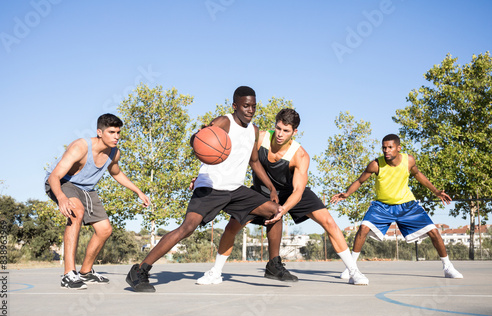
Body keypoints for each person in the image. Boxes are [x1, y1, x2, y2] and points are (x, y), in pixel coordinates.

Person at [126, 86, 285, 292]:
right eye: (246, 106)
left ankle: (273, 265)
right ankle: (139, 271)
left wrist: (271, 187)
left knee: (276, 211)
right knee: (187, 228)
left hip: (235, 189)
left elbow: (254, 161)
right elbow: (198, 140)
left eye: (253, 106)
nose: (250, 110)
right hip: (211, 187)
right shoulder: (224, 122)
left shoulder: (253, 130)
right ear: (235, 106)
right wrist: (198, 137)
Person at [196, 108, 368, 286]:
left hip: (290, 192)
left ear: (294, 132)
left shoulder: (300, 155)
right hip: (261, 191)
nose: (280, 134)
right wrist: (205, 175)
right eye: (278, 128)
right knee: (232, 227)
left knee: (329, 222)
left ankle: (354, 271)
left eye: (286, 131)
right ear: (275, 125)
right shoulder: (260, 138)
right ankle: (215, 272)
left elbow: (298, 191)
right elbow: (226, 153)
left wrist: (284, 209)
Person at [331, 134, 463, 280]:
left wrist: (436, 191)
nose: (386, 150)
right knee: (363, 228)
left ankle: (448, 267)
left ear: (398, 148)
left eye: (390, 147)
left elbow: (418, 174)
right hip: (382, 206)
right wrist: (347, 193)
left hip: (407, 205)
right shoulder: (376, 164)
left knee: (434, 232)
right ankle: (351, 268)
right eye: (384, 148)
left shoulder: (409, 160)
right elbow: (360, 181)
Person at [45, 113, 150, 289]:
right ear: (99, 132)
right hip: (64, 182)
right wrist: (61, 197)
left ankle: (86, 271)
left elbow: (116, 173)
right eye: (111, 132)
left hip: (86, 189)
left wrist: (138, 191)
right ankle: (69, 274)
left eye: (118, 132)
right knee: (76, 212)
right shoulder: (81, 147)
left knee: (104, 230)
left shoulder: (114, 153)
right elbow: (54, 176)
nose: (116, 136)